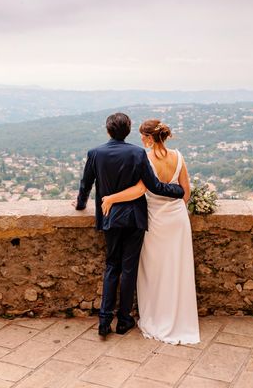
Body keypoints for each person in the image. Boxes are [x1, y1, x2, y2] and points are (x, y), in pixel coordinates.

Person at [74, 113, 185, 338]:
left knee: (111, 267)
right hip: (134, 218)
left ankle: (104, 321)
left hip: (109, 217)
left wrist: (80, 205)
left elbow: (86, 185)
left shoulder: (95, 154)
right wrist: (178, 190)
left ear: (108, 130)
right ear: (128, 129)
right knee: (128, 269)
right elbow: (154, 186)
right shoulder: (137, 153)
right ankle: (124, 320)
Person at [101, 119, 200, 345]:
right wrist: (175, 210)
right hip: (177, 219)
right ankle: (179, 317)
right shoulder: (178, 156)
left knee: (154, 272)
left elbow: (140, 189)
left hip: (155, 219)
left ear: (147, 138)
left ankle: (158, 316)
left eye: (141, 136)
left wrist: (111, 198)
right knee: (177, 269)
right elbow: (186, 192)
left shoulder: (145, 157)